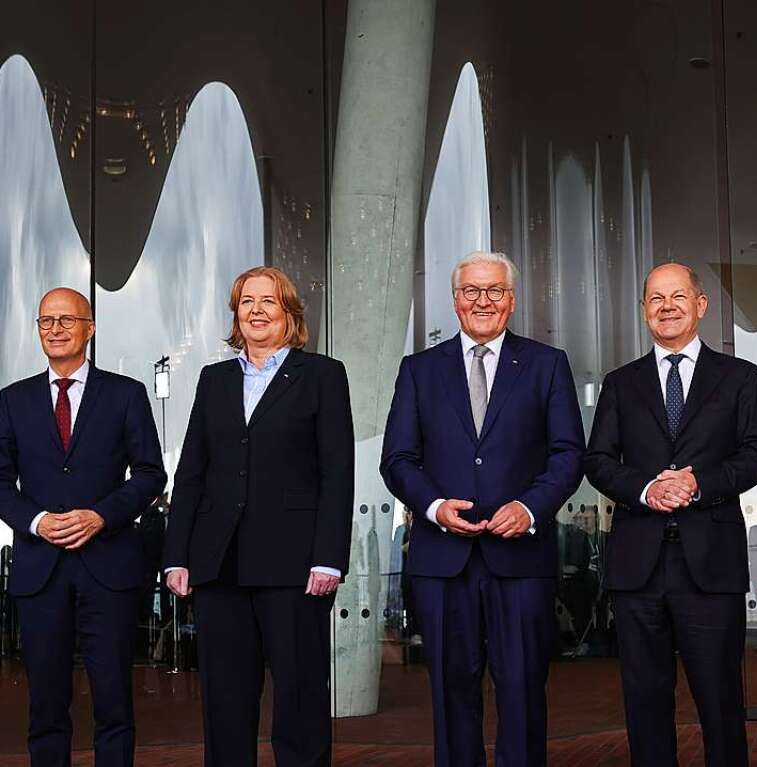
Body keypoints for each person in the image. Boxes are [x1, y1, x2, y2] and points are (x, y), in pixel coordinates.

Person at [380, 251, 585, 766]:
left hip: (520, 558)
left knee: (521, 692)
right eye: (471, 291)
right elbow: (397, 458)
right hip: (442, 561)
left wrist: (530, 507)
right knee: (451, 695)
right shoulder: (419, 370)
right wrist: (432, 506)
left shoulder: (547, 364)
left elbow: (568, 454)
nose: (483, 301)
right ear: (455, 301)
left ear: (511, 301)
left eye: (494, 291)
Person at [584, 263, 757, 767]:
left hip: (710, 564)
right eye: (655, 299)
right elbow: (598, 460)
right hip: (638, 566)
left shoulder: (740, 377)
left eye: (677, 297)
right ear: (644, 311)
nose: (667, 307)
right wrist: (646, 488)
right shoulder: (621, 383)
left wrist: (699, 484)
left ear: (700, 305)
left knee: (720, 701)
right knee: (644, 702)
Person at [163, 266, 354, 767]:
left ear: (289, 313)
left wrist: (329, 558)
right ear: (236, 314)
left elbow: (338, 473)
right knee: (225, 703)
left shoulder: (322, 376)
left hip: (295, 567)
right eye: (247, 301)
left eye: (268, 301)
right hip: (219, 565)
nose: (256, 310)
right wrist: (176, 555)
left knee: (300, 699)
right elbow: (191, 474)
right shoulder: (214, 379)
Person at [0, 287, 167, 765]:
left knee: (114, 703)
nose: (55, 329)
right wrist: (34, 521)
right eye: (46, 321)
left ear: (89, 329)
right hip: (40, 570)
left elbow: (151, 473)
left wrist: (102, 515)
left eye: (66, 320)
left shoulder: (126, 394)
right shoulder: (12, 401)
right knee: (46, 706)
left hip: (108, 567)